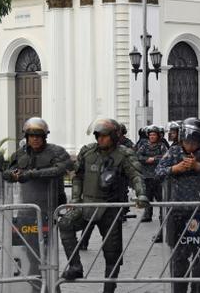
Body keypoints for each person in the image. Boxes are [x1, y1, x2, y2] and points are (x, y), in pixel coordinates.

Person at [58, 118, 147, 293]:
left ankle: (109, 288)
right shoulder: (87, 152)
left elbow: (136, 175)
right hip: (87, 204)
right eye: (98, 136)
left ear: (113, 136)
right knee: (65, 224)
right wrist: (75, 200)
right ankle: (75, 266)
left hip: (110, 208)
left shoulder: (124, 154)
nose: (100, 139)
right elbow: (78, 176)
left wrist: (141, 194)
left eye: (105, 136)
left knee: (112, 253)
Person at [156, 117, 200, 293]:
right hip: (179, 211)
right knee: (179, 257)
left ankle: (198, 289)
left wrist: (198, 166)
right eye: (187, 141)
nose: (190, 145)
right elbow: (158, 173)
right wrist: (175, 169)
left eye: (194, 142)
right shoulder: (174, 152)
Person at [2, 117, 71, 204]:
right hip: (27, 206)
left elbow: (60, 170)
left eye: (38, 136)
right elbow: (6, 173)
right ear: (27, 137)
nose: (35, 139)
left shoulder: (56, 151)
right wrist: (13, 174)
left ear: (44, 137)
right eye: (31, 136)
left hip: (52, 204)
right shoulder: (20, 154)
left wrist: (31, 174)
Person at [136, 125, 167, 224]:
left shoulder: (162, 146)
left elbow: (166, 157)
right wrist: (146, 159)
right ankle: (147, 214)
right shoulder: (144, 146)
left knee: (161, 198)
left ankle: (163, 216)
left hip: (158, 176)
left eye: (154, 135)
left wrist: (154, 159)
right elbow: (138, 156)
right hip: (147, 176)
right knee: (147, 196)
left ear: (158, 136)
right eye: (150, 135)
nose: (152, 137)